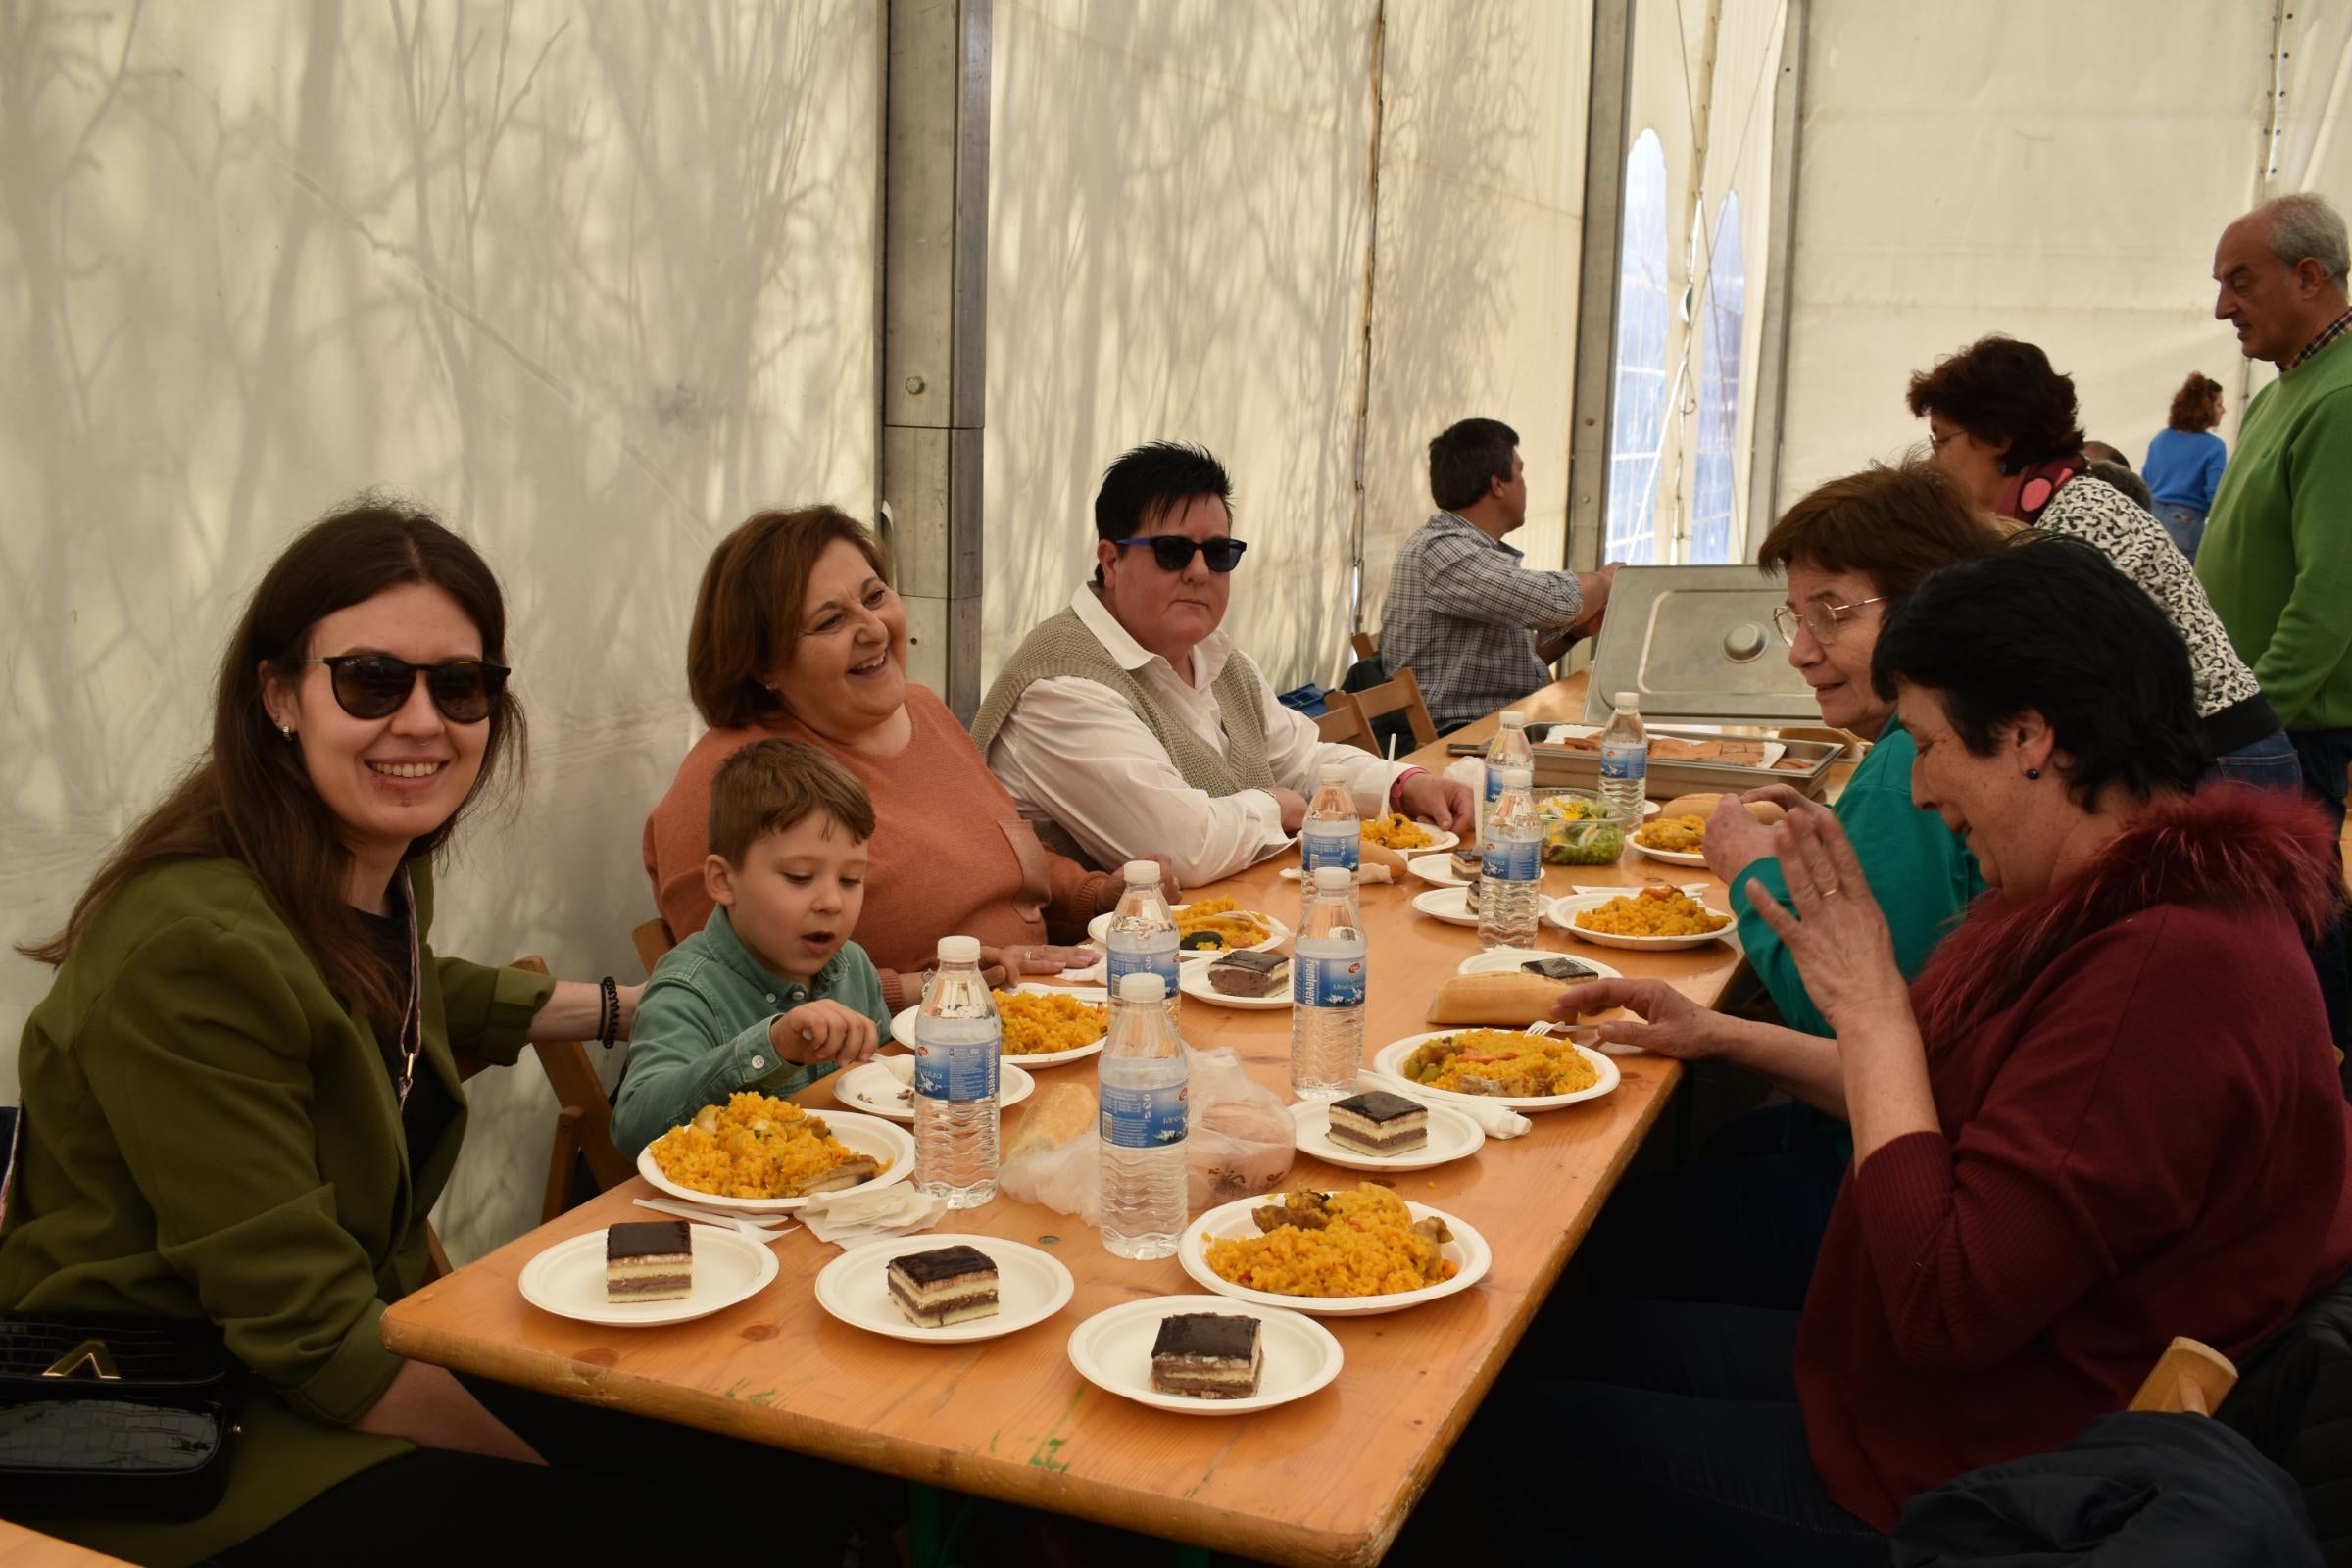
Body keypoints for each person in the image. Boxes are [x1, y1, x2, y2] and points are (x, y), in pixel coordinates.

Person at [1459, 537, 2352, 1564]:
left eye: (1927, 745)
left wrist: (1875, 1009)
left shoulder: (2160, 972)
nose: (1920, 790)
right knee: (1543, 1332)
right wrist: (1717, 1030)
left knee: (1519, 1432)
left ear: (2029, 736)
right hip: (1949, 1390)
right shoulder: (2143, 904)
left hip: (1969, 1478)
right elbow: (1947, 1107)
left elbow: (1942, 1304)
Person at [0, 502, 753, 1564]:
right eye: (369, 680)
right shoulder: (188, 946)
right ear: (278, 695)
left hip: (340, 1346)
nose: (422, 721)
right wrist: (553, 1482)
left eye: (460, 686)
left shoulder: (354, 868)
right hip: (183, 1423)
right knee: (675, 1527)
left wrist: (634, 1003)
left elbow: (403, 991)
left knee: (728, 1433)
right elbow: (313, 1336)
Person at [1569, 466, 1997, 1312]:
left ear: (1927, 604)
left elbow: (1852, 1024)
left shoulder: (1913, 769)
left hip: (1887, 1187)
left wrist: (1751, 873)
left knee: (1599, 1227)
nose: (1801, 650)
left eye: (1831, 613)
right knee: (1723, 1140)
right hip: (1908, 1150)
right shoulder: (1910, 755)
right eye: (1796, 618)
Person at [643, 506, 1172, 1011]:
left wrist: (1096, 895)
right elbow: (732, 992)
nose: (873, 629)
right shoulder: (731, 780)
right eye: (829, 622)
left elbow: (1003, 853)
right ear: (762, 662)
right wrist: (930, 987)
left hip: (1033, 1014)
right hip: (881, 1068)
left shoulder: (920, 708)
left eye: (875, 597)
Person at [974, 441, 1474, 884]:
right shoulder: (1062, 687)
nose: (1198, 571)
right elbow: (1178, 850)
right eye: (1172, 552)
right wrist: (1275, 806)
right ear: (1111, 560)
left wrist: (1405, 785)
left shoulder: (1218, 659)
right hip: (1087, 974)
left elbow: (1302, 762)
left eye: (1218, 553)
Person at [1906, 333, 2296, 791]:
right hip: (2202, 754)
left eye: (1941, 440)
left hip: (2222, 763)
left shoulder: (2078, 518)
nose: (1934, 462)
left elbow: (2064, 674)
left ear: (1997, 437)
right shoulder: (2057, 505)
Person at [2198, 191, 2352, 1047]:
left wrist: (2246, 722)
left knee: (2302, 937)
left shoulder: (2342, 398)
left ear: (2308, 275)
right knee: (2276, 933)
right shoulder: (2279, 396)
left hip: (2284, 733)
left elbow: (2331, 597)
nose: (2223, 306)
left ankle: (2326, 1115)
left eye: (2240, 281)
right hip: (2256, 722)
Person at [613, 740, 891, 1154]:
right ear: (724, 881)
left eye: (851, 879)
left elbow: (886, 1084)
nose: (832, 902)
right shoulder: (688, 989)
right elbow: (634, 1127)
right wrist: (773, 1047)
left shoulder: (852, 964)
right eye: (799, 876)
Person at [1375, 418, 1619, 733]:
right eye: (1521, 473)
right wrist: (1610, 580)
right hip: (1456, 736)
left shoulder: (1468, 550)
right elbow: (1558, 600)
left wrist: (1573, 634)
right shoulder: (1443, 552)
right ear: (1497, 484)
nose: (1525, 484)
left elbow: (1505, 664)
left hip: (1494, 723)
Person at [2142, 372, 2229, 558]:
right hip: (2186, 525)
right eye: (2219, 404)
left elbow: (2144, 483)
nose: (2224, 410)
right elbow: (2216, 496)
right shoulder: (2215, 447)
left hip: (2151, 520)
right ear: (2206, 409)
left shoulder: (2160, 438)